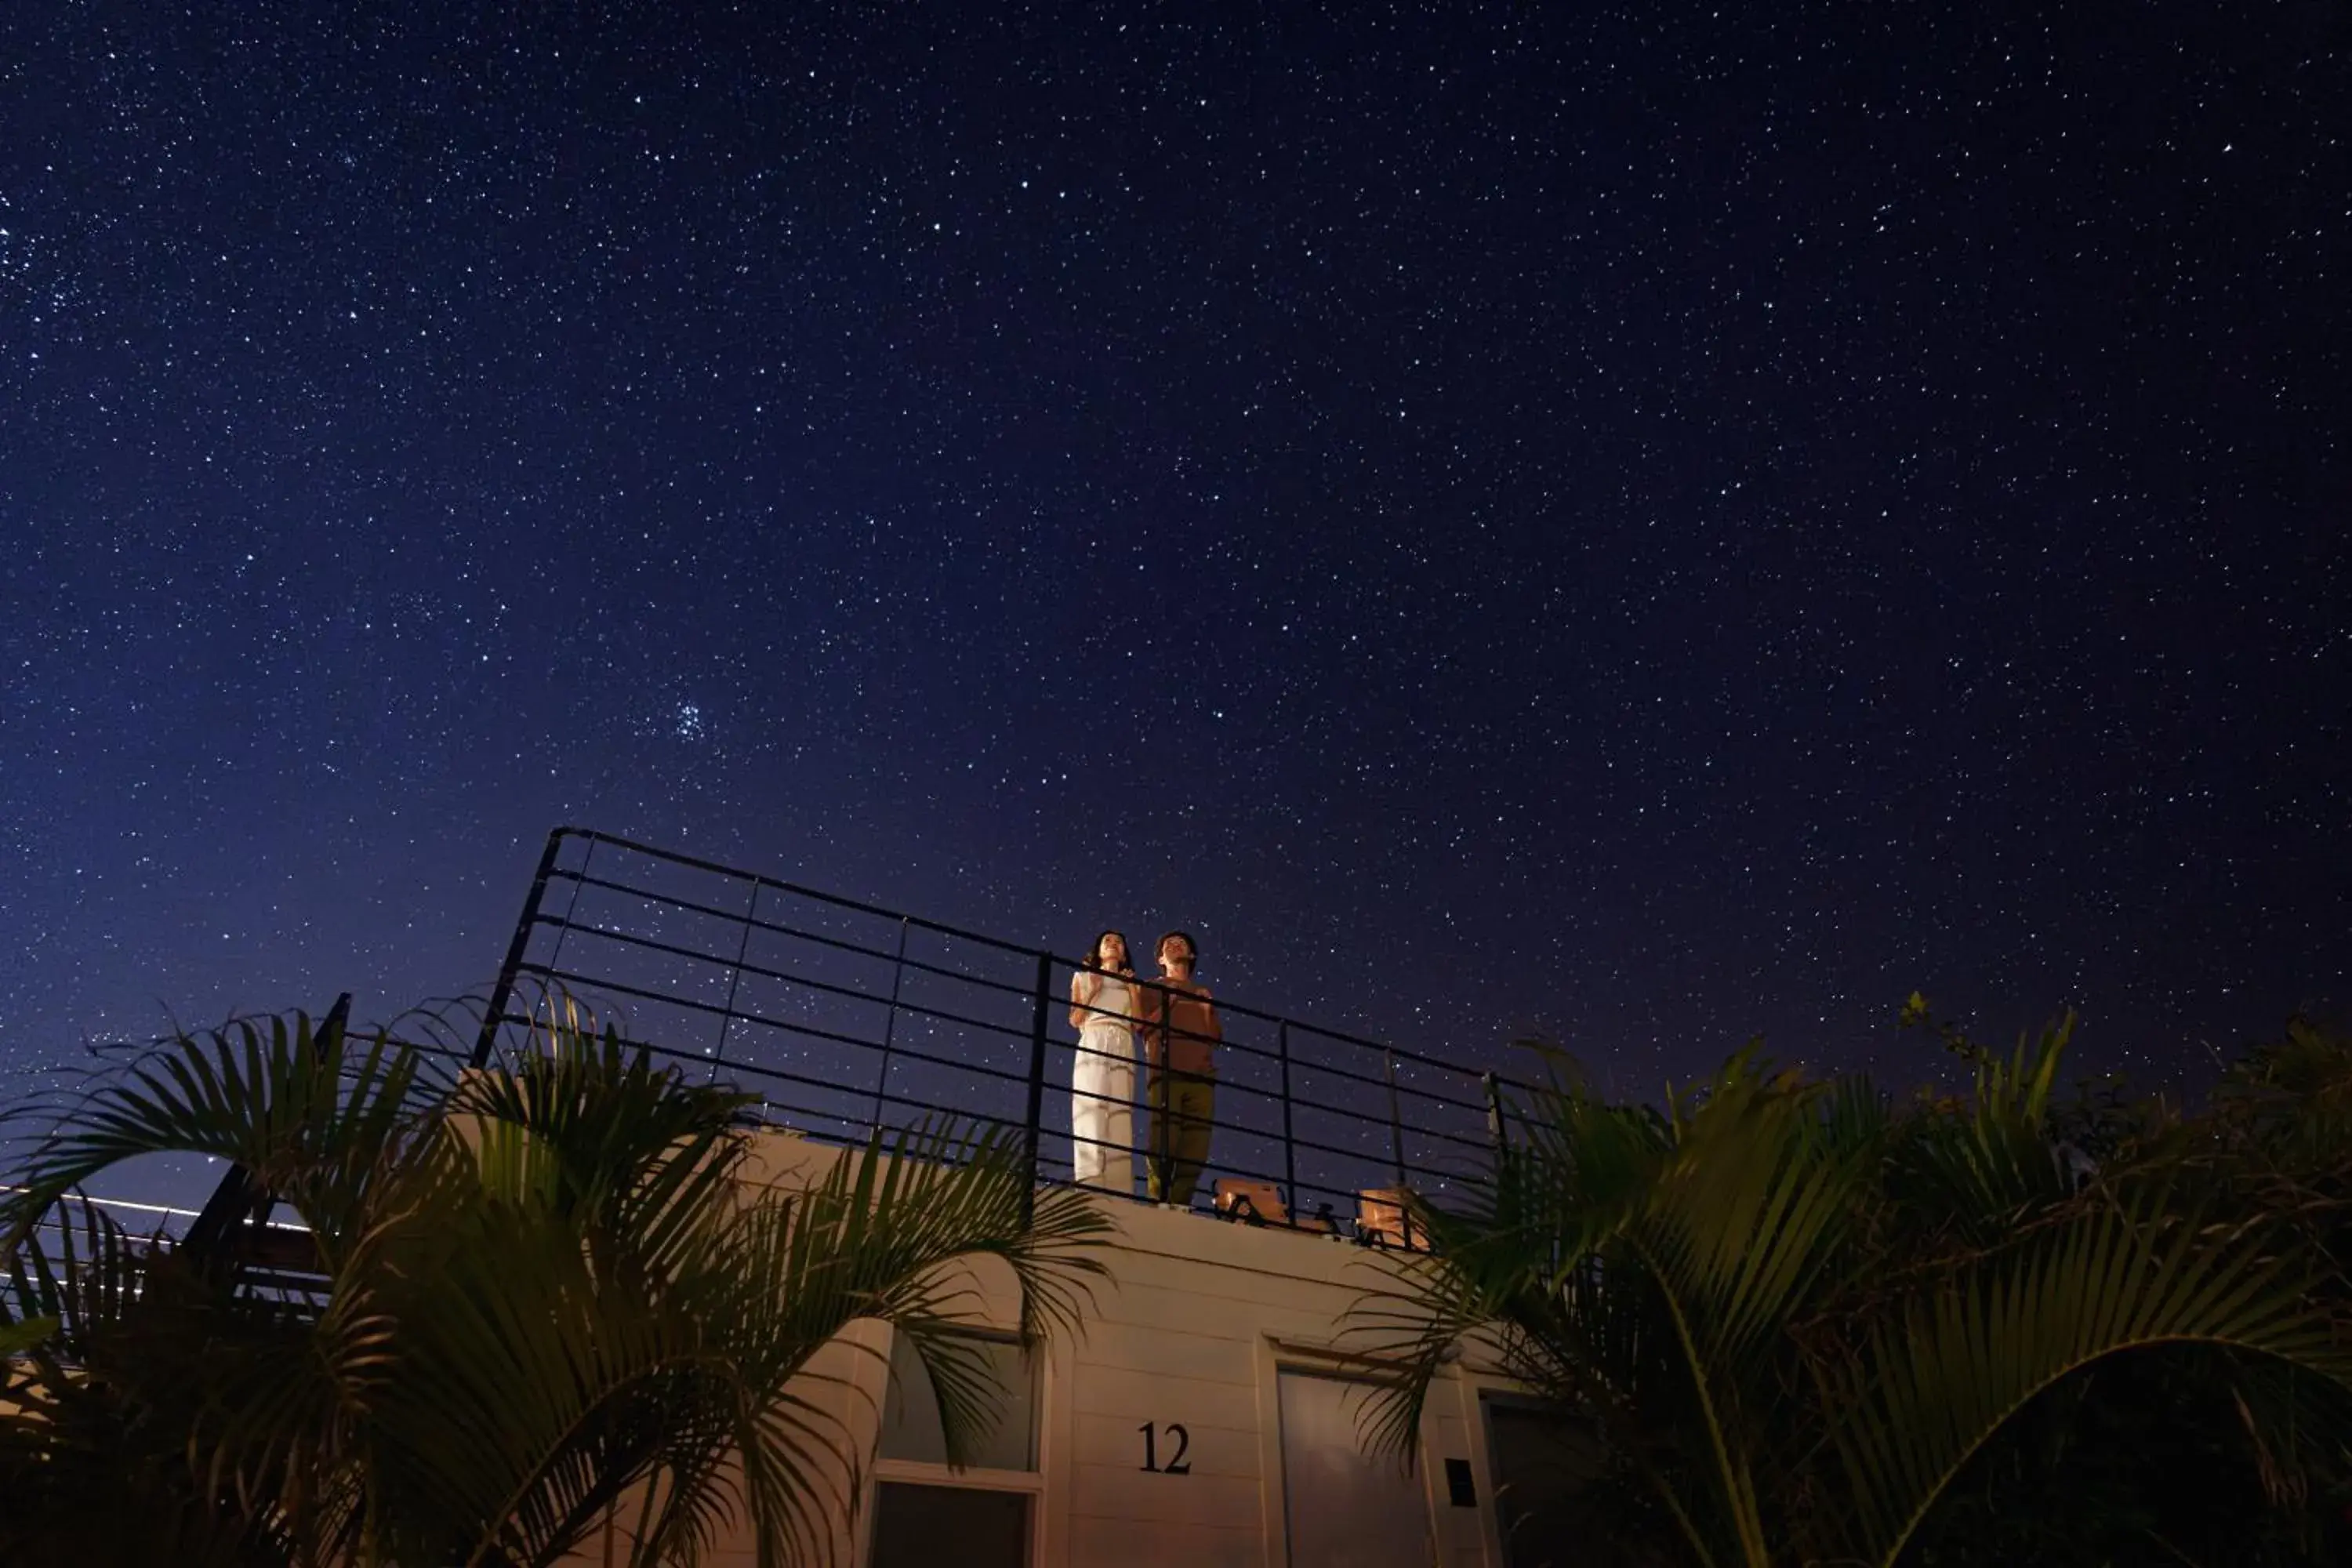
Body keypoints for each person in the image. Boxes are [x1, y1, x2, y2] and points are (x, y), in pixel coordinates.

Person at [1137, 930, 1221, 1208]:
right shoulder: (1151, 987)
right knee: (1163, 1142)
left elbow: (1215, 1037)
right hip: (1165, 1072)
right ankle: (1158, 1200)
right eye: (1168, 944)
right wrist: (1169, 1002)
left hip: (1202, 1076)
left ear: (1191, 955)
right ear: (1161, 959)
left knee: (1196, 1148)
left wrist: (1206, 1008)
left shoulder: (1202, 992)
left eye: (1181, 943)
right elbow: (1141, 1026)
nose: (1175, 945)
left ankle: (1180, 1203)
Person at [1068, 930, 1138, 1192]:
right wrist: (1094, 990)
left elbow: (1137, 1024)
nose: (1113, 944)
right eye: (1107, 941)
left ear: (1124, 953)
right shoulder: (1083, 977)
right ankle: (1089, 1184)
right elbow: (1075, 1020)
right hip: (1094, 1036)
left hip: (1122, 1040)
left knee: (1120, 1111)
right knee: (1091, 1107)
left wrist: (1132, 988)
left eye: (1119, 942)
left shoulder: (1131, 983)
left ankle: (1120, 1188)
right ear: (1098, 950)